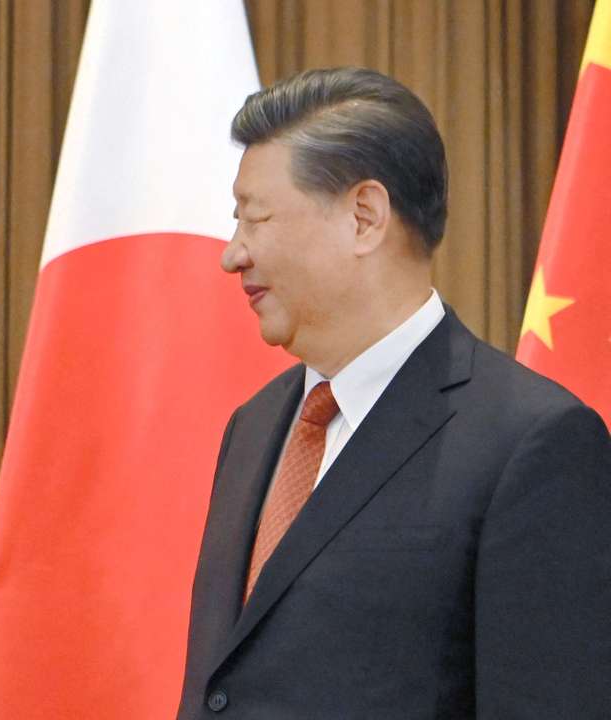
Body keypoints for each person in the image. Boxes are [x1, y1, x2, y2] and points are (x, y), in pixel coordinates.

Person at [178, 67, 611, 719]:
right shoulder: (255, 425)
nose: (233, 254)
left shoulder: (532, 443)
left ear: (364, 217)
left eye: (256, 219)